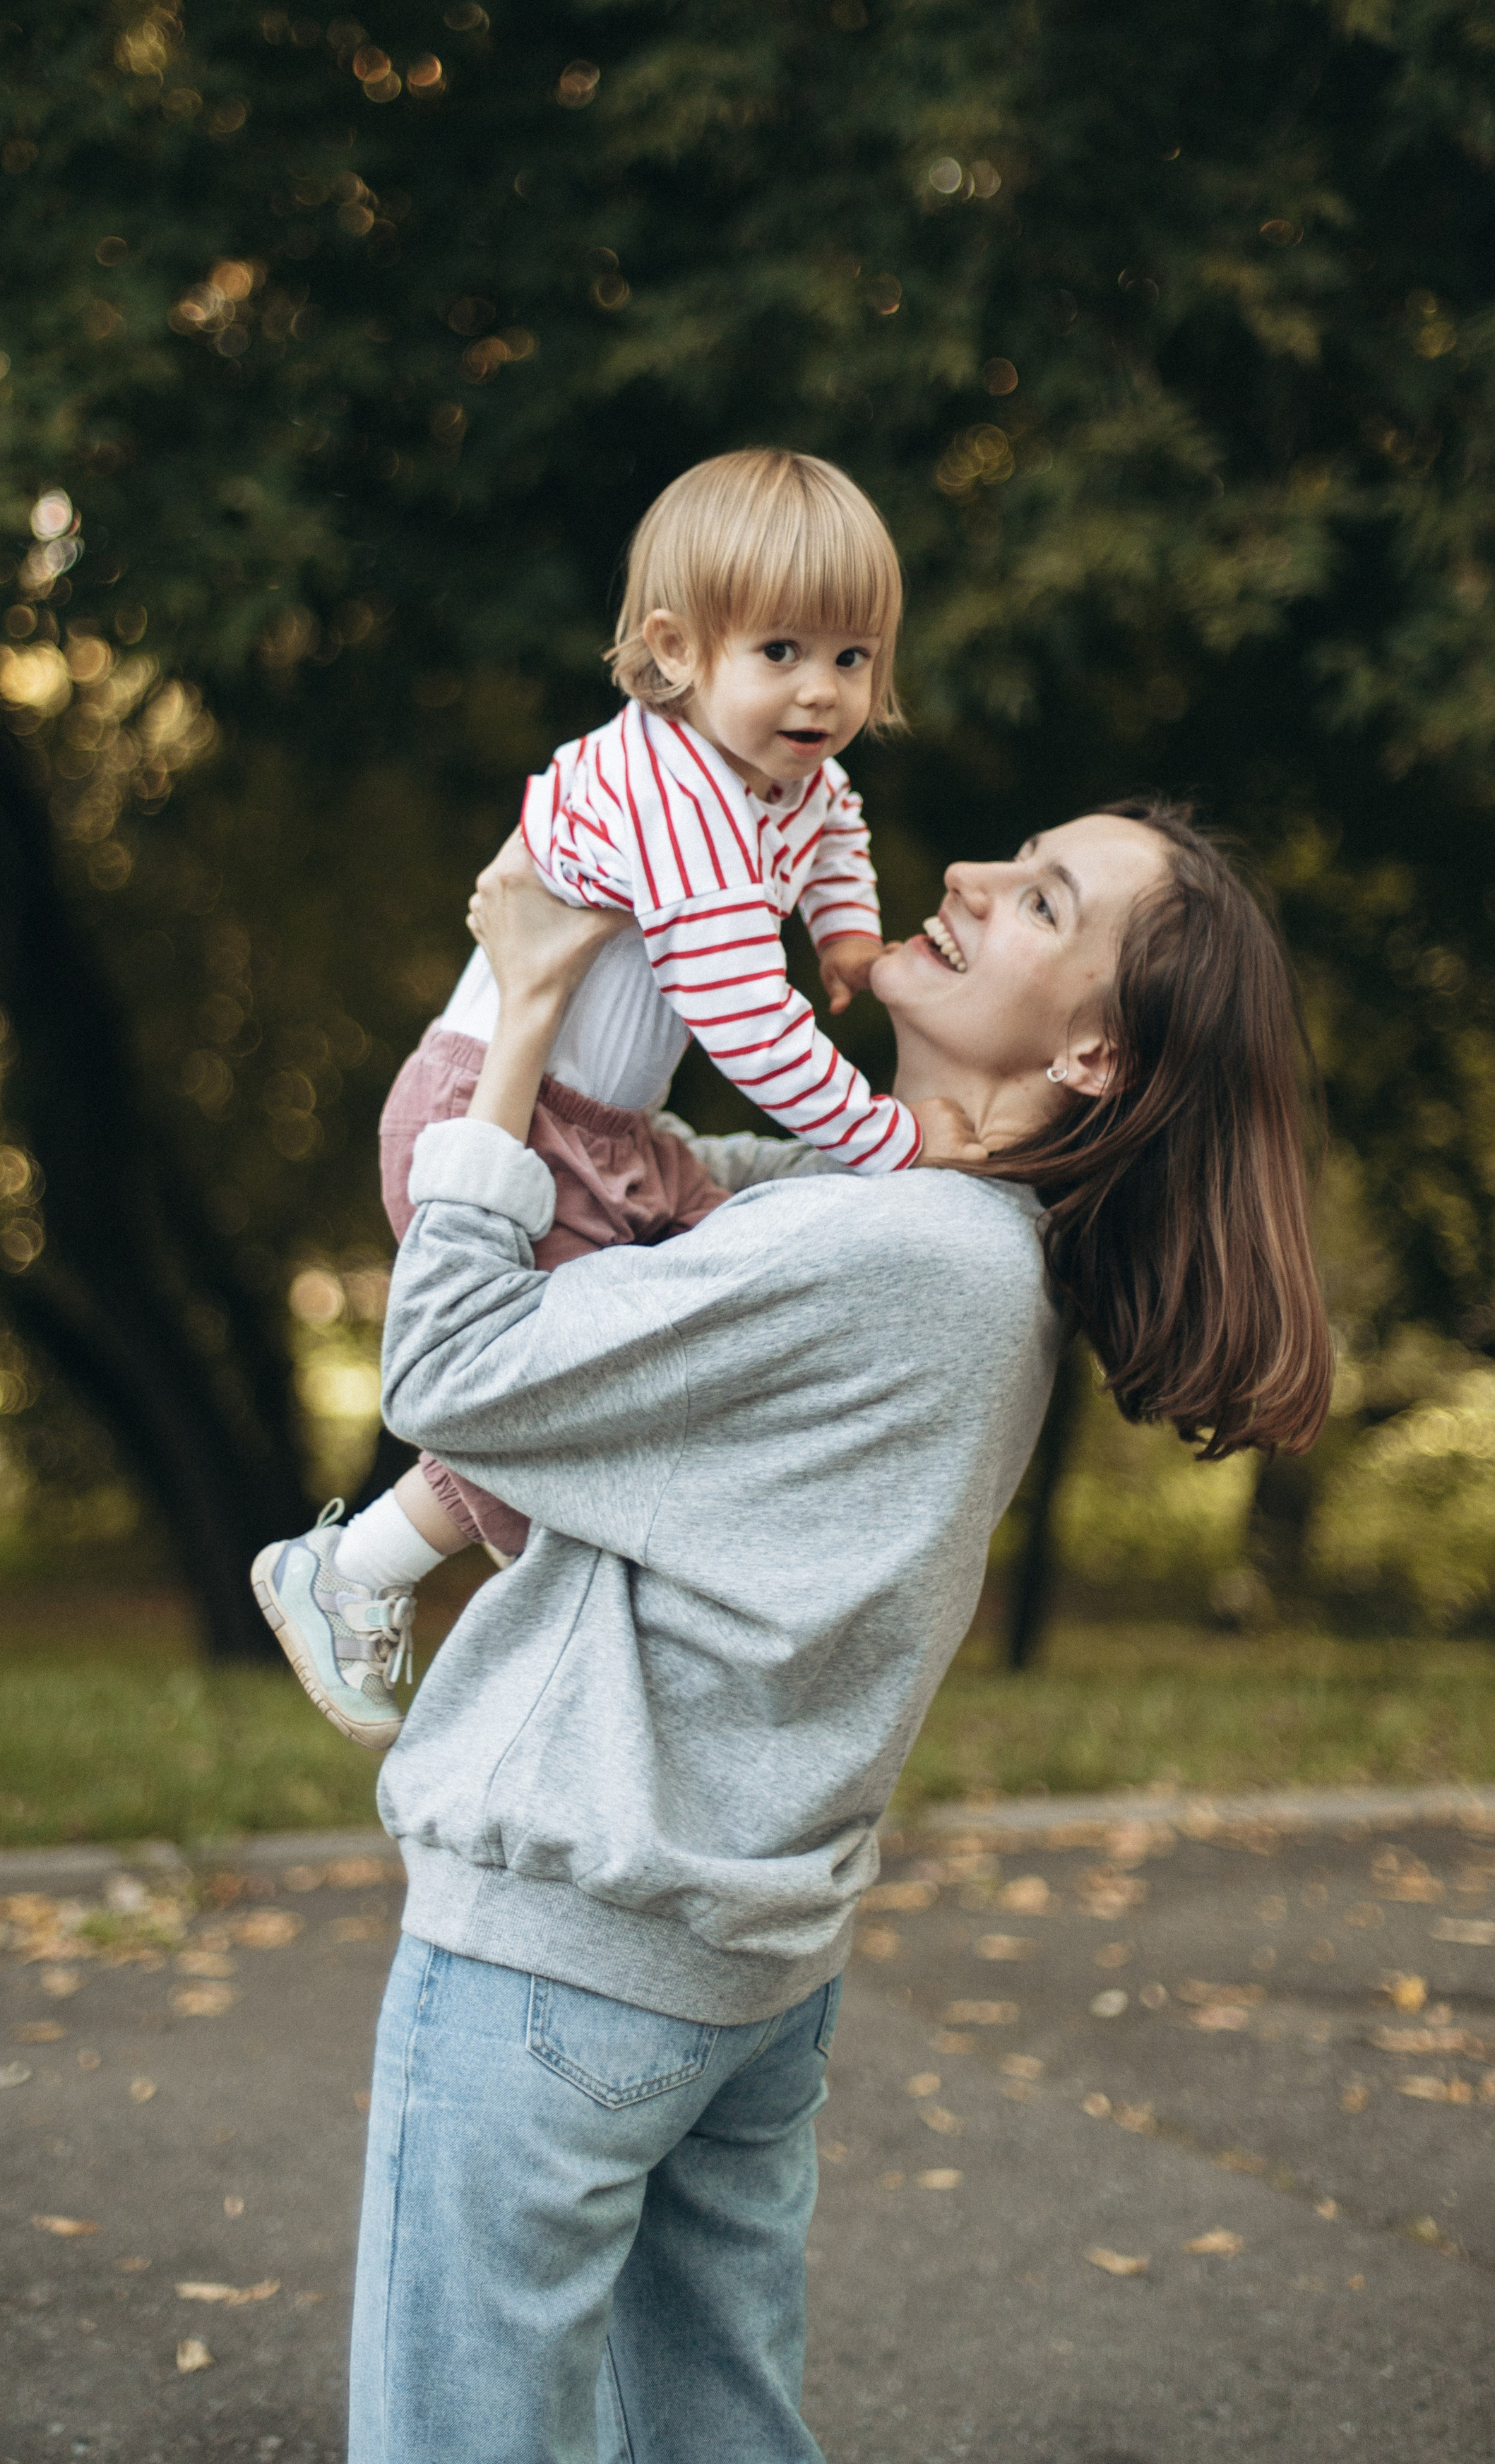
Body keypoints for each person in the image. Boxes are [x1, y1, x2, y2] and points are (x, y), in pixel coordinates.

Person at [344, 803, 1333, 2464]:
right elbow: (663, 1185)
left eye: (1036, 899)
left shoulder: (888, 1250)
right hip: (731, 1974)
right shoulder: (938, 1230)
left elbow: (446, 1373)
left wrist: (516, 1013)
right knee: (716, 2429)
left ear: (1092, 1049)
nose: (957, 879)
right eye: (1005, 857)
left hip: (566, 1953)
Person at [254, 449, 973, 1744]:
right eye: (784, 651)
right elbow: (749, 1031)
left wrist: (848, 938)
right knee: (578, 1397)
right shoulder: (681, 802)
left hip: (606, 1129)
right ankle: (355, 1567)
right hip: (495, 1113)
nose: (823, 691)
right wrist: (889, 1139)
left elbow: (841, 825)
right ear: (677, 650)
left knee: (713, 1316)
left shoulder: (778, 766)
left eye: (854, 657)